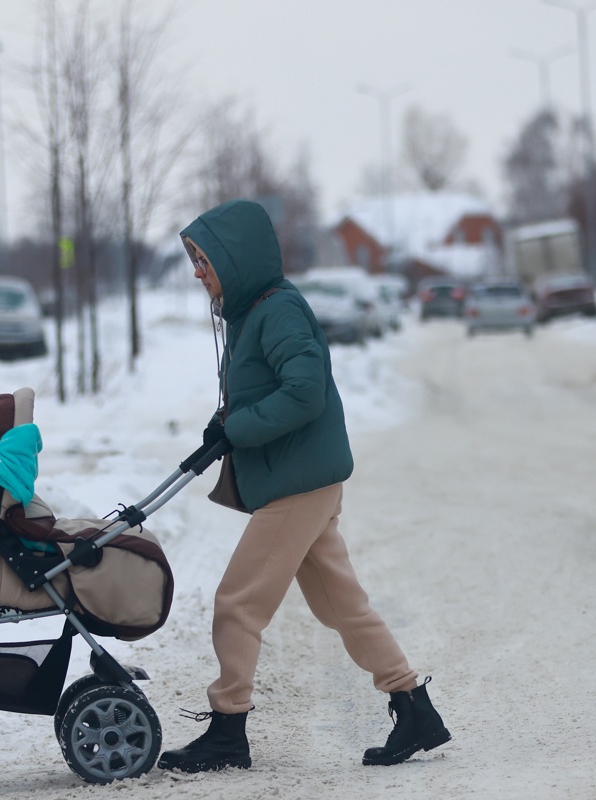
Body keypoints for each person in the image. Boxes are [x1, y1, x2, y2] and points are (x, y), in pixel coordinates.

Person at [157, 199, 451, 773]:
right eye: (193, 260)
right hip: (302, 479)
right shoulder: (251, 312)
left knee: (237, 604)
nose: (197, 272)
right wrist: (227, 424)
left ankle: (227, 731)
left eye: (203, 260)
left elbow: (304, 391)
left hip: (299, 483)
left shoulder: (279, 311)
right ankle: (414, 707)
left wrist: (238, 427)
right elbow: (269, 390)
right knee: (343, 605)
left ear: (234, 261)